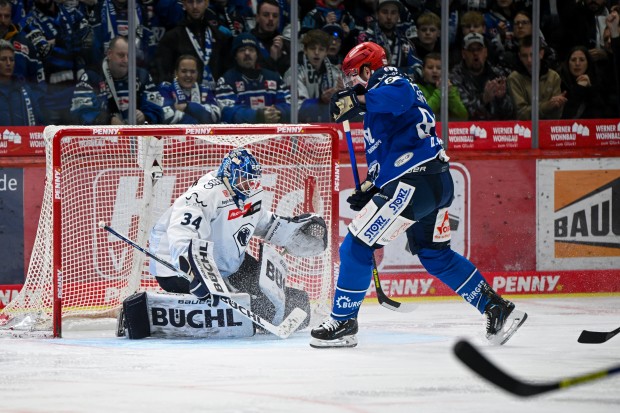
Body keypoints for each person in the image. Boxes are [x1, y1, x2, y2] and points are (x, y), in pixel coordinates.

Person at [310, 41, 527, 348]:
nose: (350, 83)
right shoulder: (378, 103)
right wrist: (373, 187)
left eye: (352, 76)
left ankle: (344, 322)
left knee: (356, 246)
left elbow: (400, 96)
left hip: (415, 183)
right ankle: (495, 307)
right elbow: (393, 147)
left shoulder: (389, 79)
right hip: (433, 183)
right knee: (435, 255)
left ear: (367, 69)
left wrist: (359, 98)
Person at [148, 147, 327, 329]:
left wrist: (290, 232)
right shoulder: (203, 195)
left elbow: (257, 219)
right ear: (228, 174)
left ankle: (235, 299)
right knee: (260, 310)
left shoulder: (251, 192)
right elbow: (182, 234)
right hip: (177, 268)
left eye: (251, 179)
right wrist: (194, 271)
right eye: (243, 178)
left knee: (296, 304)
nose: (248, 185)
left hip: (224, 263)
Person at [71, 36, 165, 125]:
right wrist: (108, 120)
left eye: (129, 56)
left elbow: (158, 109)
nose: (126, 60)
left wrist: (145, 116)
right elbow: (81, 112)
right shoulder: (91, 77)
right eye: (121, 55)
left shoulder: (142, 76)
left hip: (136, 138)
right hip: (102, 139)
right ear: (109, 54)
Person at [216, 32, 291, 123]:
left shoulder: (274, 78)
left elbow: (291, 105)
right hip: (241, 136)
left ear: (257, 54)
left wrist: (278, 112)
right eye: (242, 50)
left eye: (251, 49)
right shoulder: (226, 81)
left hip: (273, 133)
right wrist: (258, 115)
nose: (247, 53)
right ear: (235, 56)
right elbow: (227, 112)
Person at [154, 0, 230, 87]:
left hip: (216, 95)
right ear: (184, 4)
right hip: (183, 96)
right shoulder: (171, 37)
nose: (195, 6)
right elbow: (163, 72)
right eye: (190, 2)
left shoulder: (219, 36)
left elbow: (226, 69)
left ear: (207, 3)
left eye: (199, 1)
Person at [450, 32, 514, 120]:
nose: (475, 53)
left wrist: (501, 99)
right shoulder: (454, 78)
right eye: (471, 50)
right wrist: (483, 99)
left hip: (496, 129)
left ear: (485, 52)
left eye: (479, 49)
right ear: (464, 54)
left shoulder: (498, 75)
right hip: (467, 130)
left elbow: (510, 113)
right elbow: (463, 114)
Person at [283, 29, 343, 123]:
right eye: (312, 48)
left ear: (326, 51)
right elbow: (295, 109)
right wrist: (321, 101)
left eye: (321, 49)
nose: (316, 52)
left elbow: (346, 109)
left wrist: (342, 95)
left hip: (329, 128)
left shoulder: (336, 73)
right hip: (302, 129)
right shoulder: (293, 73)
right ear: (305, 50)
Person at [507, 35, 566, 120]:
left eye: (532, 55)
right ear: (519, 57)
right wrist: (547, 106)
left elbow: (557, 116)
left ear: (541, 54)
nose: (529, 60)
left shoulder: (553, 76)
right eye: (524, 56)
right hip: (525, 130)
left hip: (549, 128)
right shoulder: (514, 78)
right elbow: (521, 114)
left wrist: (557, 105)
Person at [158, 54, 221, 124]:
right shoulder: (166, 89)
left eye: (192, 72)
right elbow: (164, 115)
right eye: (184, 71)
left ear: (197, 73)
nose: (188, 75)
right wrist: (196, 119)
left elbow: (215, 116)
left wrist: (187, 107)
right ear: (176, 73)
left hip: (202, 134)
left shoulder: (205, 90)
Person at [0, 39, 44, 125]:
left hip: (24, 138)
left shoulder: (25, 90)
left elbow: (39, 123)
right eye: (3, 59)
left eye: (12, 59)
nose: (8, 63)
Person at [558, 46, 605, 119]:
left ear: (588, 63)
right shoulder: (559, 82)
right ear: (567, 63)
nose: (577, 63)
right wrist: (579, 87)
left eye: (582, 60)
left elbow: (599, 115)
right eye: (573, 60)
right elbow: (566, 117)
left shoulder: (597, 81)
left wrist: (590, 89)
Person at [418, 52, 468, 121]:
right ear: (423, 71)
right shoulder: (416, 89)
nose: (434, 71)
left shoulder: (451, 89)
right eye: (430, 67)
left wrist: (449, 93)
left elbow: (463, 116)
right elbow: (424, 114)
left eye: (439, 68)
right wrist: (439, 92)